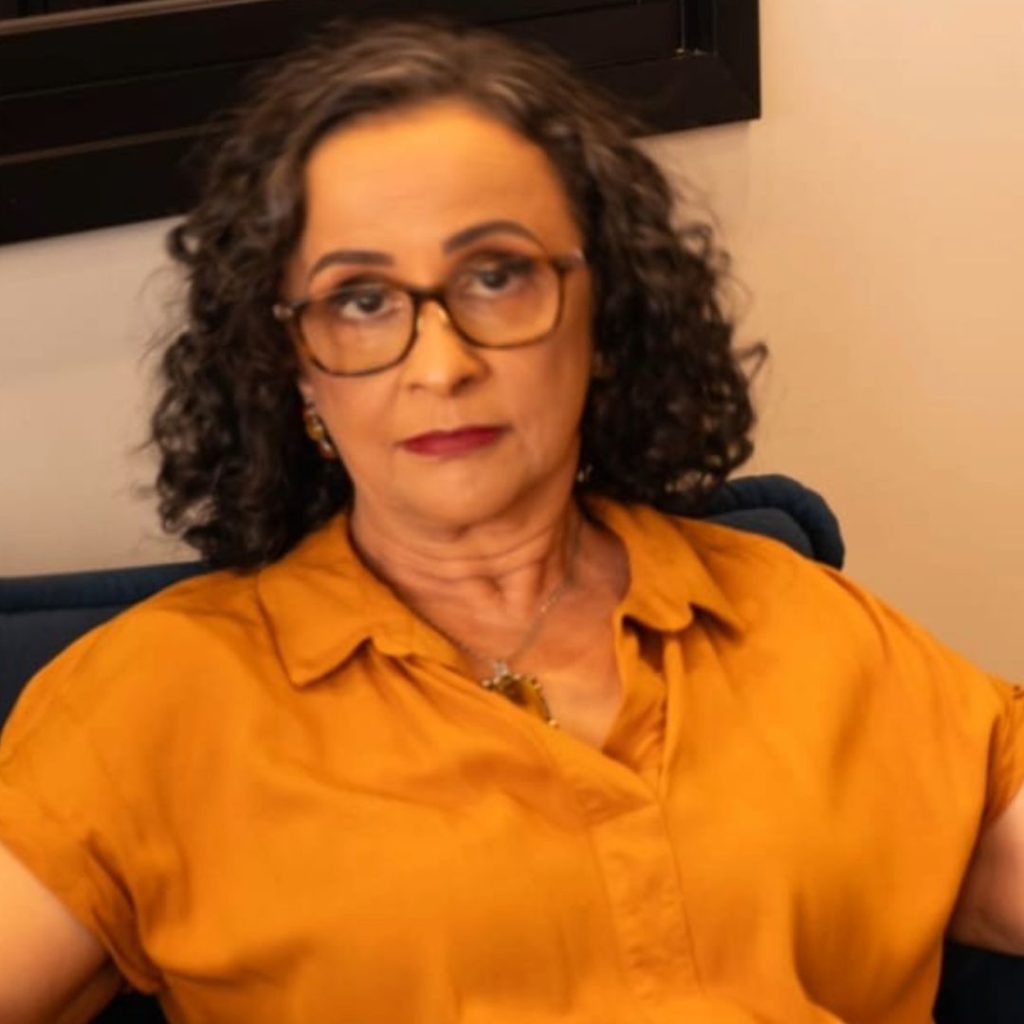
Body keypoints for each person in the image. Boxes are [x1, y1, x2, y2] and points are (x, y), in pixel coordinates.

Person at [0, 18, 1021, 1024]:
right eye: (360, 300)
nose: (440, 365)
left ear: (605, 312)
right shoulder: (156, 705)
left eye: (496, 276)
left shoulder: (804, 625)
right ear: (293, 367)